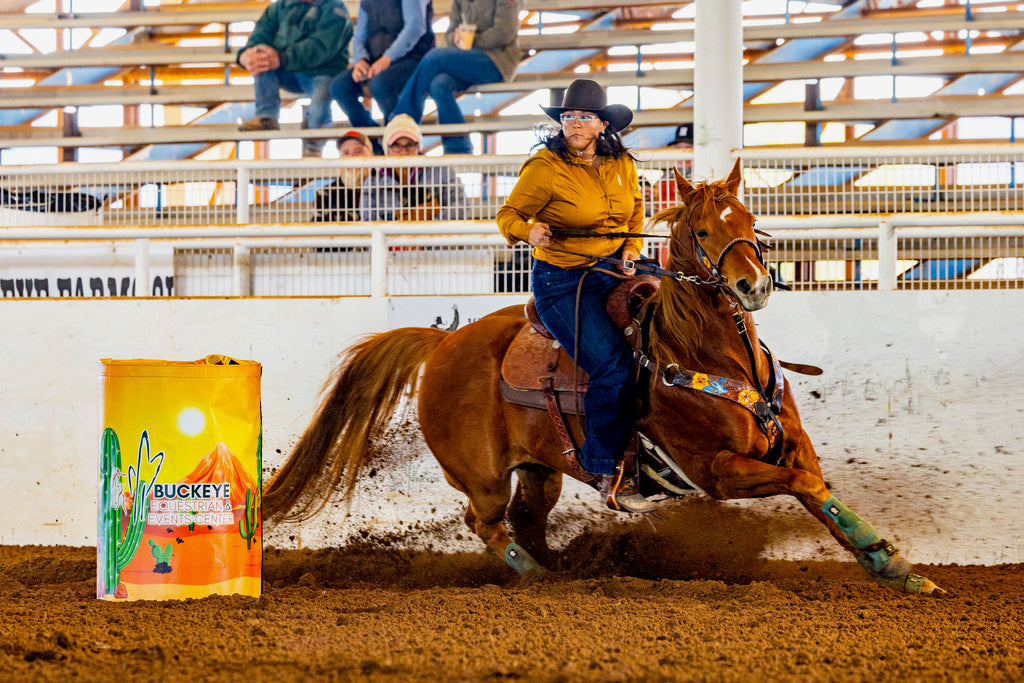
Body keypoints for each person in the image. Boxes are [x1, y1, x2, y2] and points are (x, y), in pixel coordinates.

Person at [495, 79, 656, 514]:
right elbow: (507, 214)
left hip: (612, 268)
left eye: (584, 117)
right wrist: (528, 230)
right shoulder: (544, 166)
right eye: (568, 117)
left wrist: (630, 251)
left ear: (603, 124)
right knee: (612, 367)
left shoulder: (621, 163)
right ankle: (606, 468)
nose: (574, 124)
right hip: (562, 280)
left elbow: (637, 208)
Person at [390, 0, 522, 154]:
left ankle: (403, 118)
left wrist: (471, 39)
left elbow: (503, 33)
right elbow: (450, 33)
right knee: (438, 84)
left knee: (435, 57)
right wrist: (455, 38)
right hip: (466, 59)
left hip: (497, 62)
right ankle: (458, 146)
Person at [237, 0, 354, 158]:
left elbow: (320, 47)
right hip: (285, 68)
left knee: (320, 102)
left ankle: (314, 143)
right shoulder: (279, 7)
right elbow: (259, 36)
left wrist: (283, 58)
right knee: (260, 57)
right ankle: (266, 116)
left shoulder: (335, 9)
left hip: (323, 70)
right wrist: (245, 55)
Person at [331, 0, 434, 137]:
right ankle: (371, 140)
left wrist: (387, 58)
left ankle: (399, 135)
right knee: (339, 86)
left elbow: (415, 28)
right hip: (376, 61)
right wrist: (361, 60)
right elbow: (360, 36)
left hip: (414, 58)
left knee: (380, 84)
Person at [360, 114, 467, 221]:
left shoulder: (441, 172)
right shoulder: (373, 183)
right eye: (396, 145)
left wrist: (430, 227)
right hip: (390, 237)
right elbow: (368, 217)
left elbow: (460, 204)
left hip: (434, 235)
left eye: (409, 144)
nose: (404, 151)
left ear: (418, 147)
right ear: (387, 150)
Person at [313, 130, 376, 222]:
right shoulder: (325, 194)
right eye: (346, 153)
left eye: (358, 151)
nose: (352, 157)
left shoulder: (388, 187)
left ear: (372, 156)